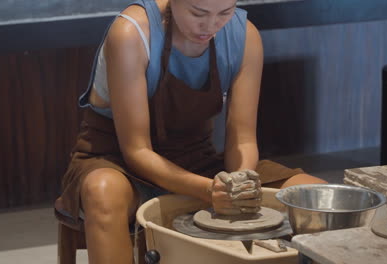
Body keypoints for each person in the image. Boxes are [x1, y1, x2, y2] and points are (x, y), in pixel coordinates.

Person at [59, 0, 327, 263]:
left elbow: (242, 138)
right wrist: (208, 190)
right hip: (114, 158)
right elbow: (137, 151)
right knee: (103, 192)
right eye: (198, 13)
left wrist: (238, 184)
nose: (211, 26)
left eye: (225, 12)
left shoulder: (245, 36)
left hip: (197, 158)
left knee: (318, 197)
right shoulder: (132, 33)